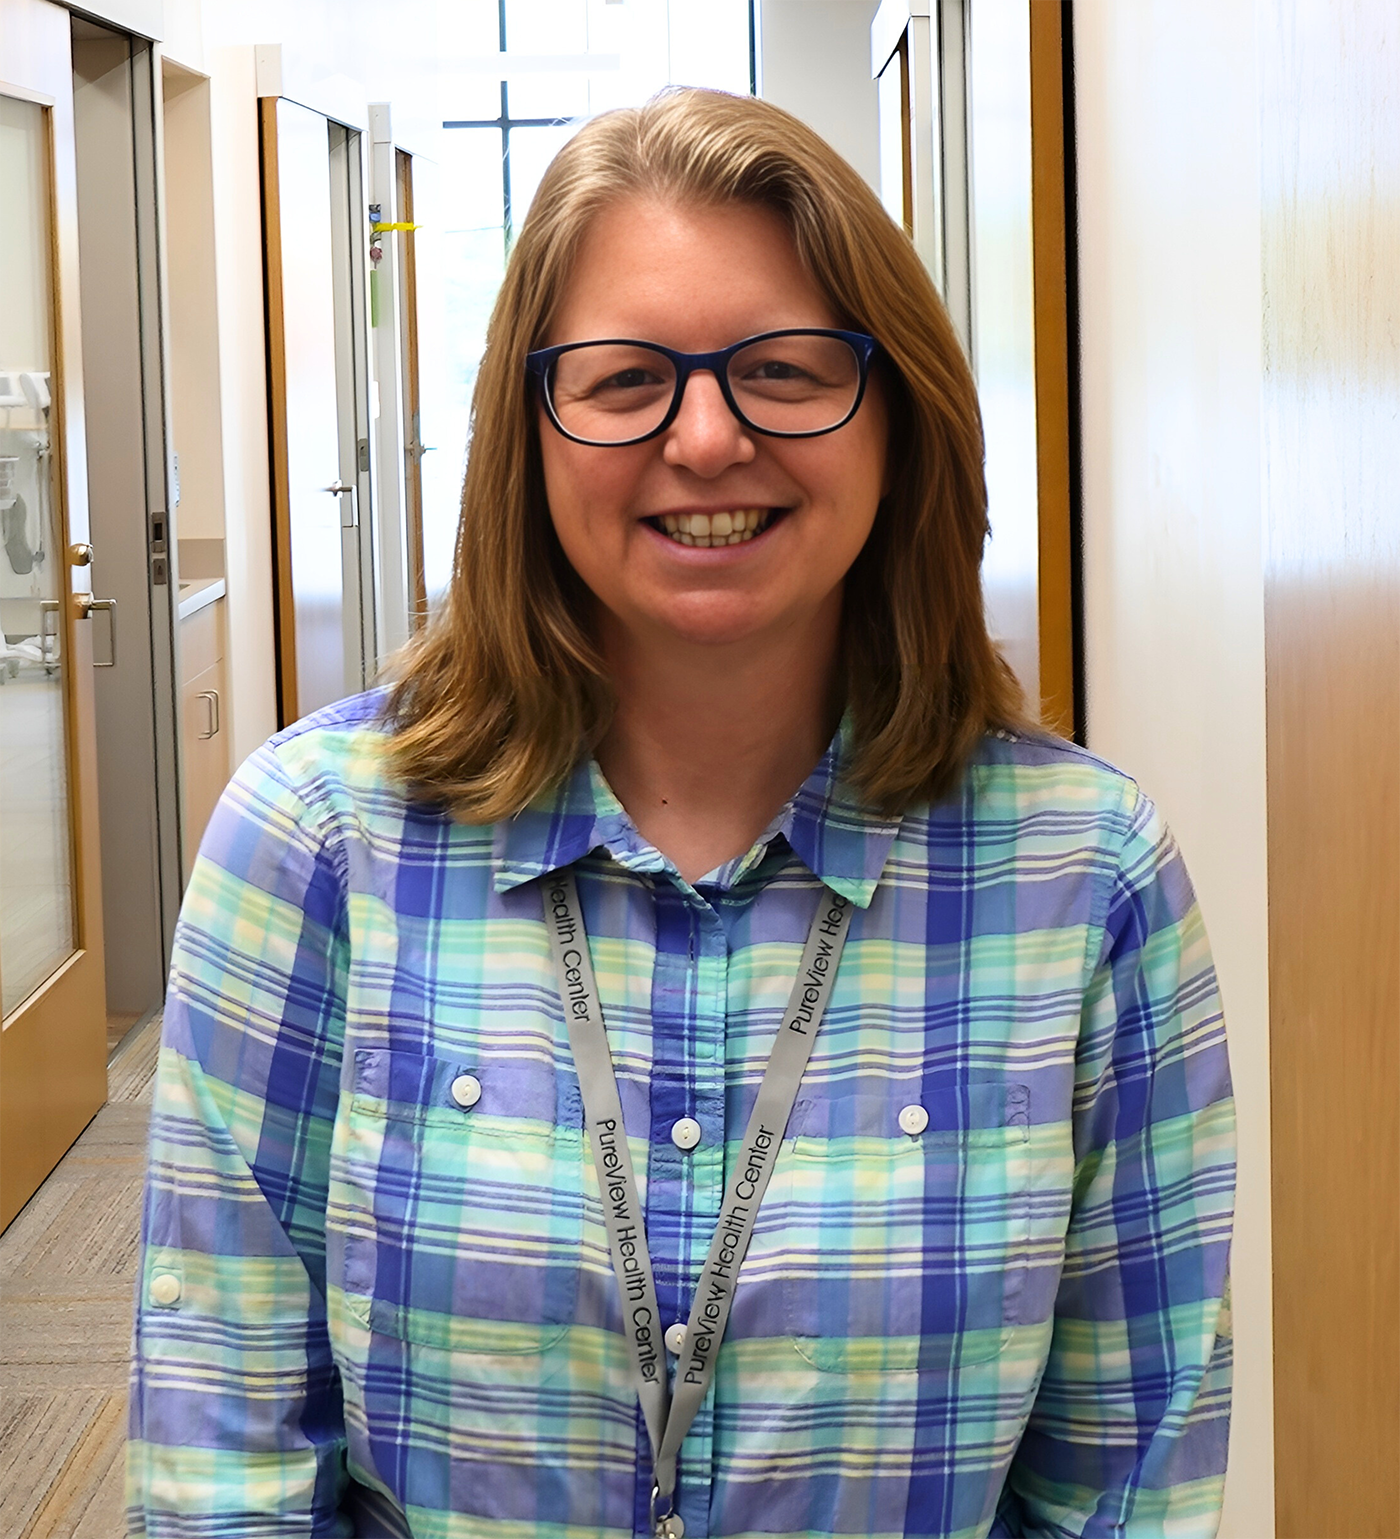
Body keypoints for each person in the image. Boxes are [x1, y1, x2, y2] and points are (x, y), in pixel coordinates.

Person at [127, 88, 1234, 1539]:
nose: (706, 439)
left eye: (783, 370)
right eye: (623, 379)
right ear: (526, 431)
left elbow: (1124, 1490)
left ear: (899, 413)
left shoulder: (1087, 880)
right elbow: (225, 1460)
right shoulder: (316, 845)